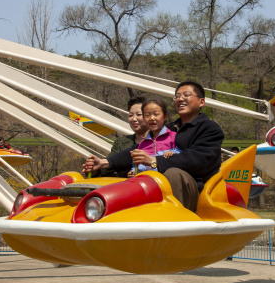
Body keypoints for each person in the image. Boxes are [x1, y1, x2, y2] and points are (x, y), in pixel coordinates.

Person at [83, 81, 224, 212]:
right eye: (177, 96)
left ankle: (172, 221)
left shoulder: (209, 128)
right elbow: (138, 150)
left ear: (201, 102)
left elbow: (198, 160)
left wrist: (153, 161)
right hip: (158, 187)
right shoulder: (169, 129)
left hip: (194, 190)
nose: (180, 99)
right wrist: (103, 163)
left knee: (173, 173)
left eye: (186, 95)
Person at [97, 96, 149, 178]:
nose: (134, 119)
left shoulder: (160, 141)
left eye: (139, 114)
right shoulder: (121, 143)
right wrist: (95, 169)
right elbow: (108, 168)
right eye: (130, 115)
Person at [128, 98, 181, 176]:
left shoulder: (174, 136)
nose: (152, 118)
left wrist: (173, 153)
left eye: (156, 114)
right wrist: (133, 171)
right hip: (145, 181)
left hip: (166, 181)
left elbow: (182, 155)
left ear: (165, 116)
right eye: (147, 115)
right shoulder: (142, 144)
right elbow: (137, 163)